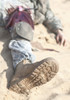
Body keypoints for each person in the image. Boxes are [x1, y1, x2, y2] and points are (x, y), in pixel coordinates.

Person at [0, 0, 66, 94]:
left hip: (24, 17)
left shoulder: (40, 4)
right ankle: (21, 69)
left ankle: (21, 69)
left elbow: (49, 15)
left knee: (23, 26)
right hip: (9, 8)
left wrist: (58, 30)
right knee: (21, 20)